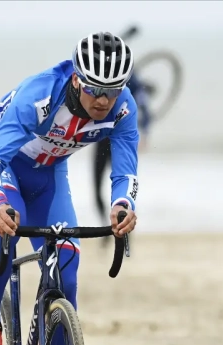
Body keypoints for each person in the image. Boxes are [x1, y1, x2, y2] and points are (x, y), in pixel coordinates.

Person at [0, 32, 139, 345]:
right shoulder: (40, 95)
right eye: (95, 89)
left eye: (112, 90)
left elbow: (125, 172)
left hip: (48, 174)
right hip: (2, 161)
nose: (103, 100)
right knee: (7, 229)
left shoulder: (123, 109)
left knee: (67, 273)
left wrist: (123, 205)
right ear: (76, 80)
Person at [92, 25, 152, 224]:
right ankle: (105, 227)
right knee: (96, 187)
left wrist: (145, 132)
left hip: (121, 135)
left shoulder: (131, 77)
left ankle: (124, 228)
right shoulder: (103, 71)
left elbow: (143, 104)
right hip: (101, 137)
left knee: (123, 182)